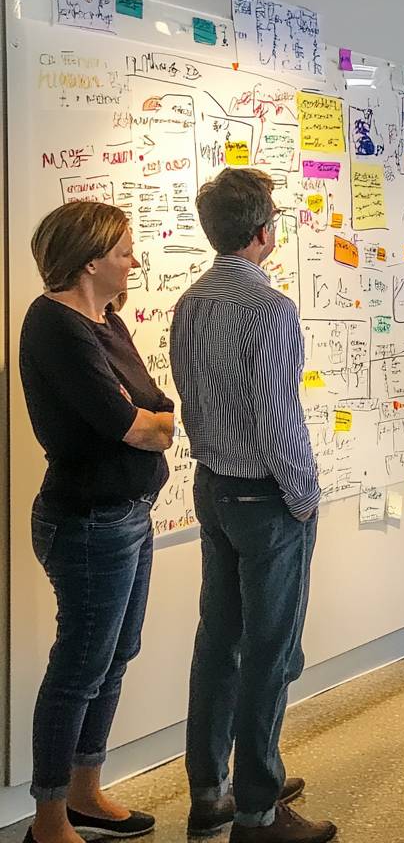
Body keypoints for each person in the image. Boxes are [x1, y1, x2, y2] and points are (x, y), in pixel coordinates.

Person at [170, 169, 335, 843]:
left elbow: (188, 395)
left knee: (218, 642)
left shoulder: (191, 300)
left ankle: (210, 791)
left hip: (213, 487)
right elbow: (276, 419)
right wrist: (303, 496)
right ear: (265, 229)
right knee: (270, 653)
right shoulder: (270, 308)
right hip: (267, 499)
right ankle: (258, 812)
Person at [20, 202, 175, 843]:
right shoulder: (54, 324)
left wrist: (149, 422)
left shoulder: (107, 322)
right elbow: (132, 425)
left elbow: (158, 410)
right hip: (87, 522)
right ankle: (49, 820)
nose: (133, 261)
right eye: (124, 251)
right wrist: (147, 423)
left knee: (115, 658)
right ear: (91, 259)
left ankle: (85, 793)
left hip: (129, 517)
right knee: (79, 667)